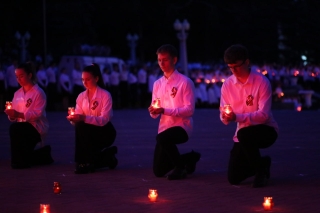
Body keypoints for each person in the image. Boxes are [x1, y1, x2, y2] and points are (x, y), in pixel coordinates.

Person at [219, 44, 279, 188]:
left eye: (237, 66)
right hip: (242, 134)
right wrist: (225, 117)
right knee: (234, 178)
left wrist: (237, 117)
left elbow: (264, 115)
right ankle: (263, 163)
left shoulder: (261, 82)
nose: (233, 71)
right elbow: (223, 111)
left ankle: (260, 173)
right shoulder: (227, 85)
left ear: (247, 62)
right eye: (230, 67)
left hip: (265, 130)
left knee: (245, 134)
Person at [148, 44, 201, 180]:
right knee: (158, 171)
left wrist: (165, 110)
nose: (161, 63)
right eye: (159, 60)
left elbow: (189, 110)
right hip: (164, 128)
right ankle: (190, 158)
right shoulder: (157, 84)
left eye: (165, 59)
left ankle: (180, 168)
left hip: (182, 126)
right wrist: (153, 111)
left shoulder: (185, 82)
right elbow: (154, 114)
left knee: (162, 138)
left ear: (174, 60)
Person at [67, 63, 117, 174]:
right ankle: (87, 161)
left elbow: (104, 119)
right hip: (88, 133)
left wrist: (84, 118)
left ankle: (84, 162)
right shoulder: (81, 96)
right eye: (83, 79)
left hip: (104, 131)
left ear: (96, 78)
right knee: (80, 126)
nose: (85, 82)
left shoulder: (105, 95)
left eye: (88, 79)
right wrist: (73, 119)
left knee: (83, 126)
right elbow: (79, 119)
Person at [4, 62, 53, 169]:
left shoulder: (38, 92)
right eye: (17, 77)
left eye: (21, 76)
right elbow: (14, 114)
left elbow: (37, 114)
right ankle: (24, 159)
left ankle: (18, 161)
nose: (18, 79)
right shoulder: (17, 94)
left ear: (29, 75)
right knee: (16, 129)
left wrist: (18, 114)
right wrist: (12, 115)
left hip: (36, 127)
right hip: (21, 127)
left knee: (15, 128)